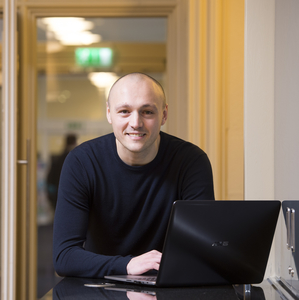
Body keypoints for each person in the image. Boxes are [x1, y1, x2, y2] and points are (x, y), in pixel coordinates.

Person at [53, 73, 215, 279]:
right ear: (109, 113)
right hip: (100, 286)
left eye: (147, 111)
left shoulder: (191, 161)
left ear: (164, 115)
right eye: (124, 111)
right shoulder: (81, 162)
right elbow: (64, 256)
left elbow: (201, 249)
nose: (136, 123)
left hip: (167, 284)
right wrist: (128, 265)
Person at [46, 133, 78, 211]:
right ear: (75, 142)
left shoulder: (58, 159)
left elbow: (50, 178)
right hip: (73, 195)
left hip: (58, 194)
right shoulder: (76, 158)